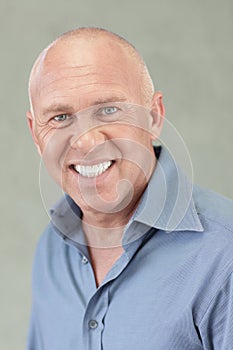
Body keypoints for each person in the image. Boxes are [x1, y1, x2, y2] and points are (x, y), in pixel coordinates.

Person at [26, 27, 233, 350]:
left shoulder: (225, 255)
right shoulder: (51, 250)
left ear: (154, 116)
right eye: (61, 116)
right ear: (36, 135)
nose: (86, 140)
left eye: (108, 110)